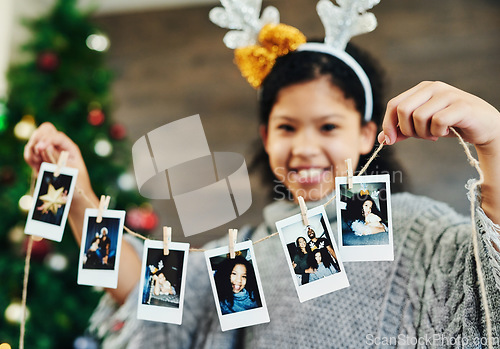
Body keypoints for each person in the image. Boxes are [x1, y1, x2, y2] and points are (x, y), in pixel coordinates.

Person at [23, 16, 500, 349]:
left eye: (328, 127)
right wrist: (75, 191)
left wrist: (493, 141)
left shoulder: (422, 231)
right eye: (287, 128)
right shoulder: (244, 253)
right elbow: (141, 294)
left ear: (365, 133)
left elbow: (491, 282)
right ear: (265, 137)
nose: (304, 148)